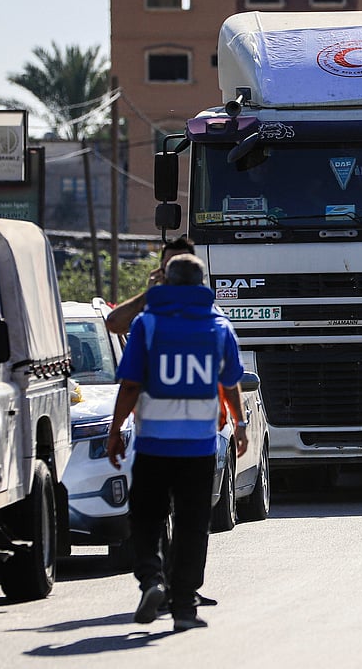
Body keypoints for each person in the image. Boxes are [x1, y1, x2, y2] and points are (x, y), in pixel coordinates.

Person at [105, 253, 248, 632]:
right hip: (199, 447)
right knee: (192, 525)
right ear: (202, 285)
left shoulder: (147, 324)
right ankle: (184, 607)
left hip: (153, 444)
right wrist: (241, 423)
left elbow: (132, 384)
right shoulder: (219, 326)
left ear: (166, 283)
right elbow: (230, 379)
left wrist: (115, 430)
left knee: (147, 518)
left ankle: (152, 580)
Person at [106, 236, 195, 336]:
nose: (177, 272)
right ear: (160, 270)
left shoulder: (206, 309)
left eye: (183, 267)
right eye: (171, 266)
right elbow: (113, 323)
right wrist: (149, 295)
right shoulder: (150, 311)